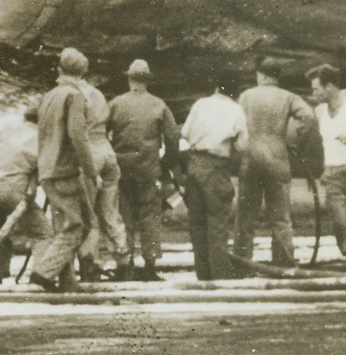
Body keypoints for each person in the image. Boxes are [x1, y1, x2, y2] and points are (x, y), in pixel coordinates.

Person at [28, 48, 98, 293]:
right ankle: (44, 271)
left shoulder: (49, 95)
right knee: (81, 225)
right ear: (84, 72)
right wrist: (90, 170)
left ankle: (67, 281)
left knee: (66, 227)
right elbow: (78, 135)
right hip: (65, 170)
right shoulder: (74, 96)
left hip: (47, 169)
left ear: (59, 70)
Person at [235, 57, 316, 267]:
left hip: (251, 159)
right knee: (280, 217)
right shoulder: (288, 97)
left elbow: (234, 123)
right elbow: (309, 117)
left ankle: (243, 262)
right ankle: (284, 262)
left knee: (246, 217)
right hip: (278, 159)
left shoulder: (246, 96)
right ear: (277, 77)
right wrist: (298, 142)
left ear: (260, 75)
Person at [106, 59, 181, 281]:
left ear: (129, 78)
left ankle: (124, 264)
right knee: (150, 216)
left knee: (123, 217)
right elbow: (173, 137)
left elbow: (100, 132)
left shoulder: (116, 104)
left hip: (121, 168)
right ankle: (149, 266)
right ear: (147, 80)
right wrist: (167, 162)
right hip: (149, 169)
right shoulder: (159, 105)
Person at [180, 74, 247, 280]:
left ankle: (203, 274)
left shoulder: (200, 104)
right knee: (218, 222)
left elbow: (185, 132)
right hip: (217, 166)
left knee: (197, 222)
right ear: (235, 93)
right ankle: (220, 275)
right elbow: (243, 145)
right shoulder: (236, 110)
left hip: (195, 163)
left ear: (217, 87)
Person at [0, 101, 50, 284]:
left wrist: (6, 162)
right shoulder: (42, 139)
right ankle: (41, 275)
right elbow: (45, 169)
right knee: (42, 233)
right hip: (15, 190)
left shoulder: (10, 129)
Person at [71, 63, 127, 281]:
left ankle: (90, 264)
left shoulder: (72, 95)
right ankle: (122, 259)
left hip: (89, 154)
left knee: (89, 214)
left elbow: (75, 132)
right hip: (107, 151)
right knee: (110, 212)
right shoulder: (98, 94)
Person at [306, 64, 346, 257]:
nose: (314, 93)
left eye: (317, 88)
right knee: (340, 222)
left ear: (330, 86)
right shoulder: (320, 110)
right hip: (332, 172)